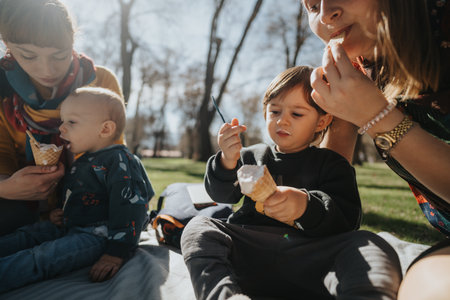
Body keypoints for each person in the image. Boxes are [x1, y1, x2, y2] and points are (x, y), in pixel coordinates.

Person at [180, 66, 402, 300]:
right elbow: (222, 194)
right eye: (274, 111)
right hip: (250, 249)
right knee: (198, 228)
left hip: (308, 255)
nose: (282, 121)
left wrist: (305, 206)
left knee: (370, 242)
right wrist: (226, 160)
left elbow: (347, 220)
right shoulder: (250, 155)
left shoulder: (332, 164)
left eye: (296, 114)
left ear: (321, 121)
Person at [303, 0, 450, 299]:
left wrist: (377, 117)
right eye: (311, 4)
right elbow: (332, 185)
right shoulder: (356, 68)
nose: (326, 11)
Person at [0, 87, 154, 292]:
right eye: (62, 121)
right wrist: (62, 214)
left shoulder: (120, 161)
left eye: (71, 122)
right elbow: (82, 197)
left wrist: (116, 252)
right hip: (71, 226)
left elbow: (131, 207)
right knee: (29, 234)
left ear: (105, 129)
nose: (61, 128)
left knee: (44, 256)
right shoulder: (84, 159)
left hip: (99, 235)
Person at [0, 0, 124, 236]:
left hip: (88, 209)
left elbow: (115, 155)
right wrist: (7, 188)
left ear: (73, 41)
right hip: (19, 208)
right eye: (28, 55)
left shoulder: (101, 84)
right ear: (7, 44)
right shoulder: (2, 93)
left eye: (59, 55)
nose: (46, 70)